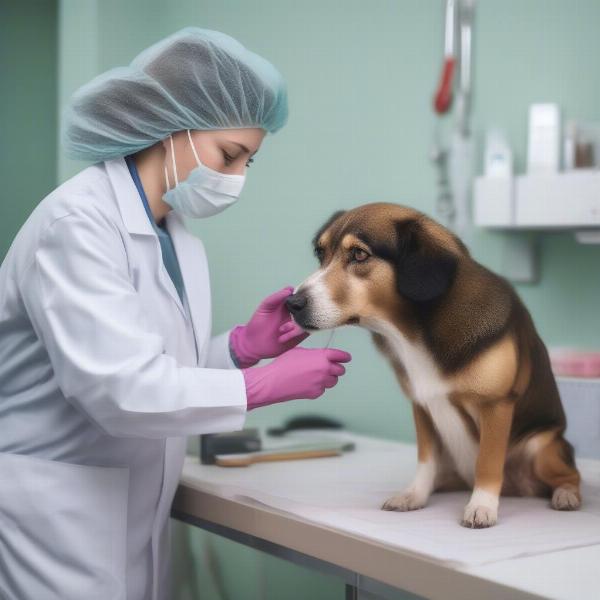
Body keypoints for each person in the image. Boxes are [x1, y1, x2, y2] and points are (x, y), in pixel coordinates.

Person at [0, 28, 351, 600]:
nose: (236, 177)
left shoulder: (177, 235)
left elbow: (160, 366)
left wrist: (238, 350)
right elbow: (119, 389)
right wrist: (259, 386)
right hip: (57, 521)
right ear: (172, 126)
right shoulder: (76, 225)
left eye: (249, 162)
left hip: (131, 515)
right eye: (228, 154)